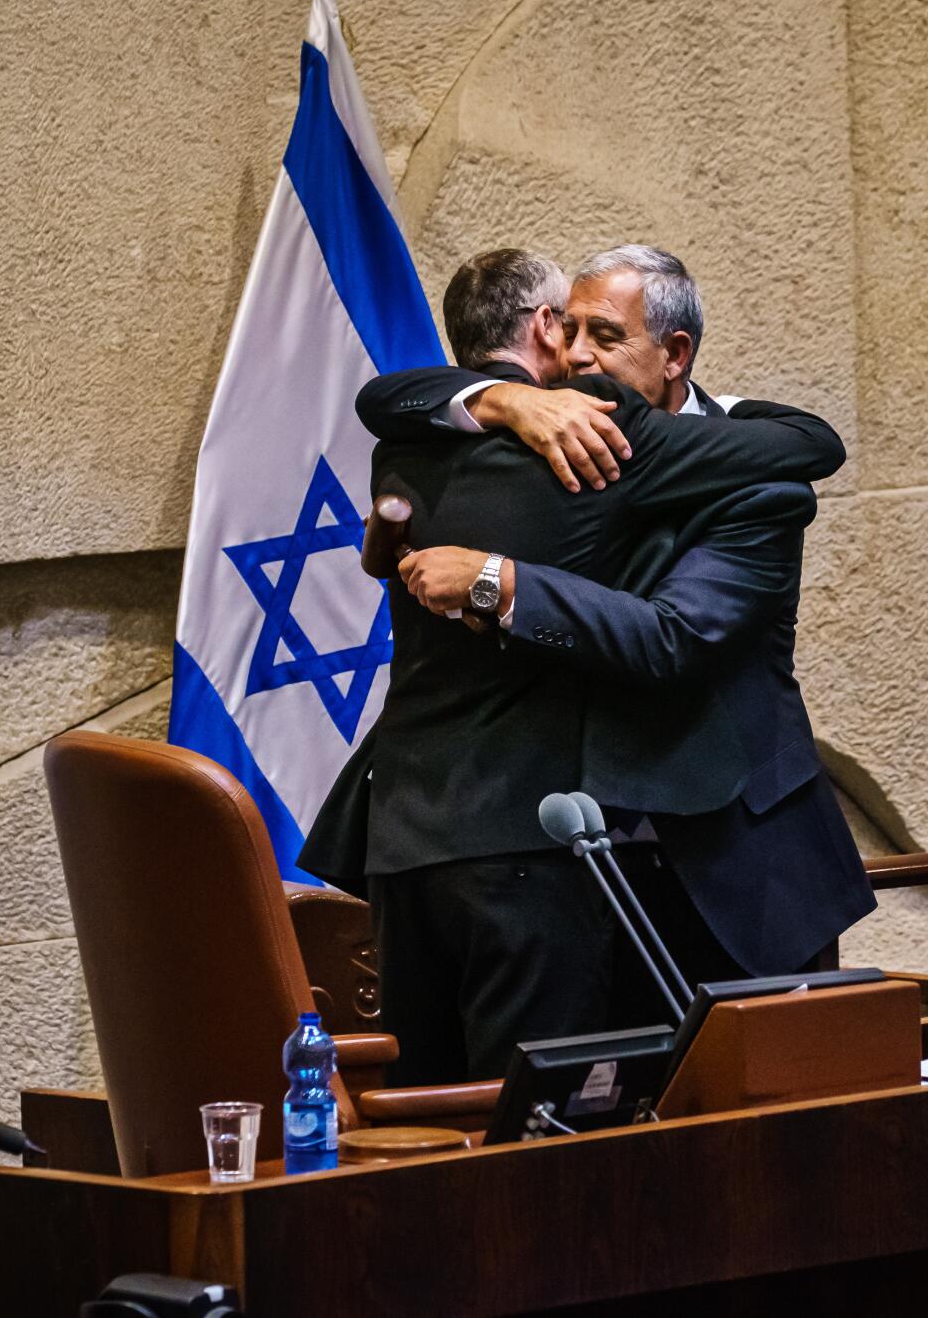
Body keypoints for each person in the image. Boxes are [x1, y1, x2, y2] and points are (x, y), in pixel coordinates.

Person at [301, 247, 853, 1083]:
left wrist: (498, 581)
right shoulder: (556, 431)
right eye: (570, 333)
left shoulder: (752, 471)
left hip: (737, 872)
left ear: (674, 356)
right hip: (590, 866)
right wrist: (505, 394)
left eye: (606, 335)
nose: (581, 356)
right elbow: (388, 396)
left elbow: (677, 635)